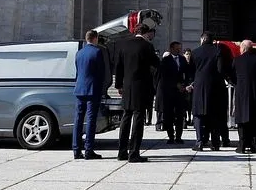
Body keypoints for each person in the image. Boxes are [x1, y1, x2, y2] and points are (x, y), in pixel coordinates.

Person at [114, 23, 159, 162]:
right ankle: (134, 153)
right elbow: (157, 64)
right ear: (145, 33)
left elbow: (118, 67)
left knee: (126, 117)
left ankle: (121, 152)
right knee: (138, 119)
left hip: (127, 87)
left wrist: (119, 85)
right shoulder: (147, 46)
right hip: (141, 87)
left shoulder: (124, 45)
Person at [190, 31, 231, 151]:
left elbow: (192, 71)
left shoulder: (195, 52)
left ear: (202, 39)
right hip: (215, 86)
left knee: (198, 115)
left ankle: (199, 142)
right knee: (215, 115)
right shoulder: (218, 51)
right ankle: (215, 143)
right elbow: (220, 69)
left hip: (199, 86)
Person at [72, 29, 107, 160]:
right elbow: (101, 72)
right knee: (91, 120)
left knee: (78, 119)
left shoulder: (79, 53)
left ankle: (76, 150)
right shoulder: (97, 52)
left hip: (80, 89)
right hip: (93, 89)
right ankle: (88, 150)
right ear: (95, 38)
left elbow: (78, 70)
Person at [230, 40, 256, 154]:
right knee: (255, 120)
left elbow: (231, 76)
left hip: (241, 93)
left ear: (243, 48)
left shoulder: (236, 60)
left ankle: (242, 145)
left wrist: (237, 85)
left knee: (242, 120)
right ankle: (254, 144)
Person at [156, 41, 188, 145]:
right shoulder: (165, 60)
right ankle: (170, 136)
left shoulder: (183, 59)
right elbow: (164, 77)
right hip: (169, 92)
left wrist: (185, 85)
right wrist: (175, 84)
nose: (178, 50)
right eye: (176, 48)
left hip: (180, 92)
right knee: (169, 115)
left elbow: (186, 74)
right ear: (171, 49)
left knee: (180, 115)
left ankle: (178, 136)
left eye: (179, 48)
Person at [182, 49, 195, 127]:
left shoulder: (193, 65)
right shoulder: (182, 64)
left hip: (192, 86)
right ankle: (184, 119)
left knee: (191, 104)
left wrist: (191, 85)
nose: (188, 56)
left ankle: (191, 119)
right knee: (184, 104)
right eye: (187, 54)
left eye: (189, 54)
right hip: (184, 87)